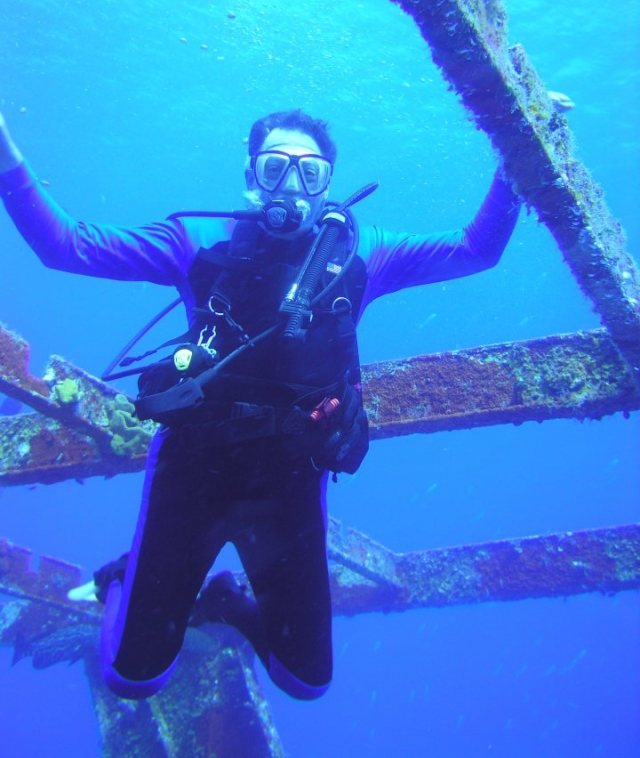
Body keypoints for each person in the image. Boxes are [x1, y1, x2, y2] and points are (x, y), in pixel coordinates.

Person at [0, 108, 521, 701]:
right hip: (191, 475)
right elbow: (64, 246)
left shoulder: (362, 252)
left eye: (310, 172)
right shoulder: (195, 242)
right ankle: (121, 578)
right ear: (252, 176)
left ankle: (223, 601)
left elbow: (477, 251)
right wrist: (6, 155)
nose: (291, 188)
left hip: (289, 485)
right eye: (276, 169)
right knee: (134, 679)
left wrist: (514, 163)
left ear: (329, 182)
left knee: (305, 682)